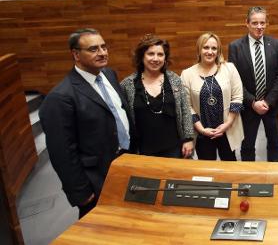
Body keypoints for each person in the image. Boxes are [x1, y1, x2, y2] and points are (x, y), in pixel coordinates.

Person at [39, 28, 135, 218]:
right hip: (96, 177)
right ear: (76, 54)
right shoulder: (60, 98)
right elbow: (62, 152)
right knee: (101, 227)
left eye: (103, 47)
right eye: (93, 49)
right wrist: (80, 192)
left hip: (125, 163)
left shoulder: (109, 75)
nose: (102, 53)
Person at [120, 35, 195, 158]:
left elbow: (185, 110)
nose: (155, 59)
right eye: (150, 54)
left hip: (174, 148)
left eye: (160, 54)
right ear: (142, 56)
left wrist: (188, 138)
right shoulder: (127, 84)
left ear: (165, 58)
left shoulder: (174, 80)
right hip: (142, 150)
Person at [229, 7, 278, 161]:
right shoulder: (235, 47)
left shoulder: (275, 45)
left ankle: (273, 176)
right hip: (248, 107)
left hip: (271, 106)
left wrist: (267, 101)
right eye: (255, 23)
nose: (259, 27)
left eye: (262, 23)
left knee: (275, 143)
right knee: (247, 146)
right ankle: (250, 181)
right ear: (246, 23)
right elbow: (234, 80)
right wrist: (253, 102)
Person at [181, 32, 244, 161]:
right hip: (203, 133)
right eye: (206, 47)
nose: (210, 52)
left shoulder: (229, 68)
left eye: (214, 48)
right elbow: (187, 106)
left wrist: (227, 124)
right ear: (199, 49)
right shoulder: (187, 74)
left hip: (227, 130)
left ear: (218, 50)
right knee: (207, 170)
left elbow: (237, 98)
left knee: (229, 166)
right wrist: (201, 129)